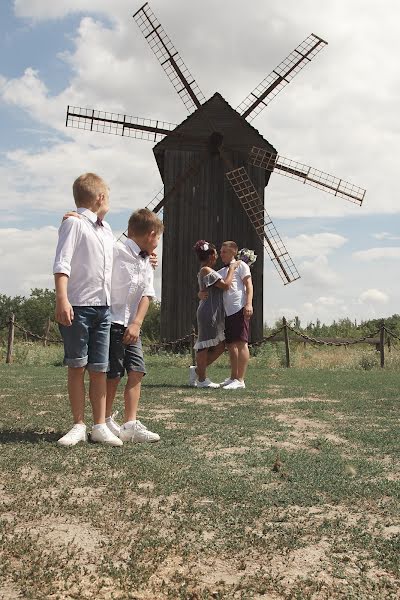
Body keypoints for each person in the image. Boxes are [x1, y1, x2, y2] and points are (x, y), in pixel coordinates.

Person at [53, 173, 122, 447]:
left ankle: (100, 425)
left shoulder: (105, 230)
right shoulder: (74, 223)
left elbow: (115, 260)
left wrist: (147, 256)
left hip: (103, 308)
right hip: (78, 306)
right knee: (76, 365)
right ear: (100, 198)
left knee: (99, 369)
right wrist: (62, 299)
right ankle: (78, 424)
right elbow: (62, 262)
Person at [105, 209, 164, 442]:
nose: (158, 243)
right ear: (151, 234)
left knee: (137, 370)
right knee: (113, 374)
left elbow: (147, 294)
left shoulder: (146, 261)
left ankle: (130, 424)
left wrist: (137, 323)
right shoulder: (115, 251)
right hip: (113, 321)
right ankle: (106, 420)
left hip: (132, 326)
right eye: (158, 238)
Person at [190, 240, 239, 388]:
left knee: (219, 346)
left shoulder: (208, 271)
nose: (218, 255)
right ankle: (202, 379)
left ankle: (198, 371)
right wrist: (232, 268)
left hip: (214, 312)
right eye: (216, 253)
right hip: (208, 312)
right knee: (204, 346)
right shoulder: (206, 270)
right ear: (211, 255)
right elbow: (225, 285)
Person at [218, 241, 253, 389]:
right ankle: (233, 377)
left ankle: (240, 379)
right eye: (221, 251)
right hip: (227, 311)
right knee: (231, 345)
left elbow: (248, 285)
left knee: (241, 343)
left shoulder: (241, 266)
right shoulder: (222, 271)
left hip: (239, 307)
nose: (221, 254)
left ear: (233, 252)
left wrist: (249, 304)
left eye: (224, 252)